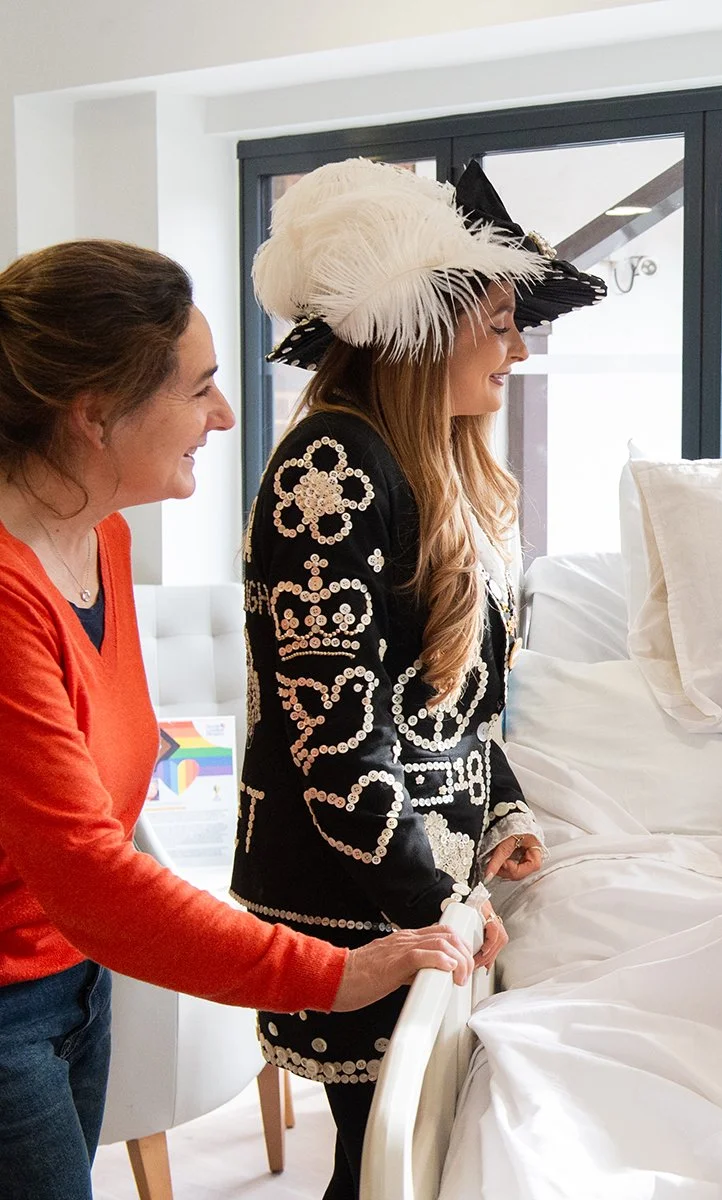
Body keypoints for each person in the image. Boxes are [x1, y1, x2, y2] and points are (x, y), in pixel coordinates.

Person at [0, 239, 475, 1200]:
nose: (224, 416)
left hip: (71, 983)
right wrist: (330, 972)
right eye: (199, 389)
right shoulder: (8, 599)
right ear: (93, 414)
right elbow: (90, 871)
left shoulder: (102, 535)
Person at [234, 158, 606, 1198]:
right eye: (496, 322)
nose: (517, 349)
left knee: (407, 1156)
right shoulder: (333, 471)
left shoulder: (430, 468)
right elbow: (335, 740)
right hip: (357, 892)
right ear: (423, 329)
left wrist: (499, 822)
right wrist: (430, 902)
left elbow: (462, 711)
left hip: (423, 879)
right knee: (376, 1160)